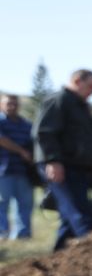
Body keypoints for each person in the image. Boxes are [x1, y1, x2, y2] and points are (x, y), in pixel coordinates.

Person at [33, 68, 92, 249]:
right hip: (61, 166)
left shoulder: (79, 106)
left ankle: (58, 259)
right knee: (81, 214)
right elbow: (44, 132)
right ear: (77, 81)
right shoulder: (58, 101)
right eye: (91, 86)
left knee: (69, 219)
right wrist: (52, 160)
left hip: (78, 166)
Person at [0, 91, 38, 240]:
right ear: (2, 105)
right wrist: (22, 151)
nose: (12, 106)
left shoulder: (27, 125)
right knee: (2, 204)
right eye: (8, 103)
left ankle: (23, 234)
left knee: (25, 204)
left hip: (24, 171)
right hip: (3, 171)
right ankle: (2, 233)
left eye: (15, 103)